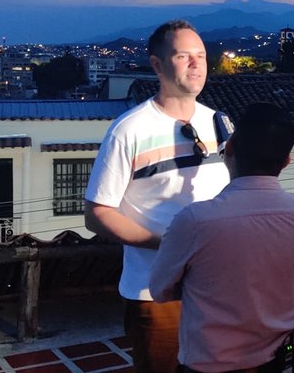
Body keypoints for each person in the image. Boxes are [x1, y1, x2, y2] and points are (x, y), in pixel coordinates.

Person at [84, 20, 231, 373]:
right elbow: (97, 213)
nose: (196, 64)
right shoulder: (129, 130)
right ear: (157, 65)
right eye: (183, 56)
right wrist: (169, 244)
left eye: (201, 56)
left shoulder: (220, 124)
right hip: (156, 293)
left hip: (217, 288)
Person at [150, 102, 294, 373]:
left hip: (211, 364)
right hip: (277, 358)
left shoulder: (195, 220)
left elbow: (159, 290)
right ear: (287, 161)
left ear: (228, 148)